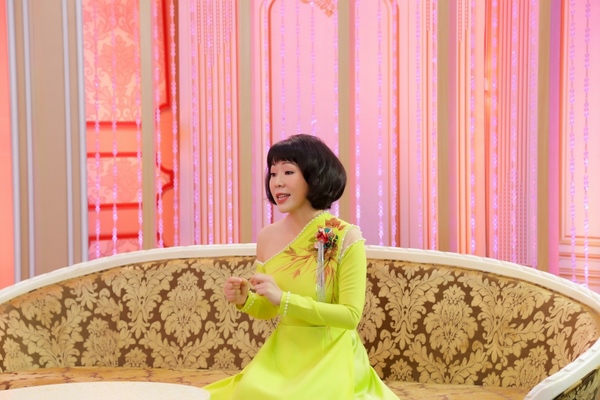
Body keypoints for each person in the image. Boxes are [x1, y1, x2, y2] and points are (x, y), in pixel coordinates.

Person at [204, 134, 399, 399]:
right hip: (283, 354)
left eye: (288, 172)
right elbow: (268, 308)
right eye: (273, 173)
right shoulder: (267, 237)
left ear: (314, 176)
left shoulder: (344, 236)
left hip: (331, 354)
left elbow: (350, 315)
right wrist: (245, 300)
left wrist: (283, 298)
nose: (277, 182)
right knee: (248, 392)